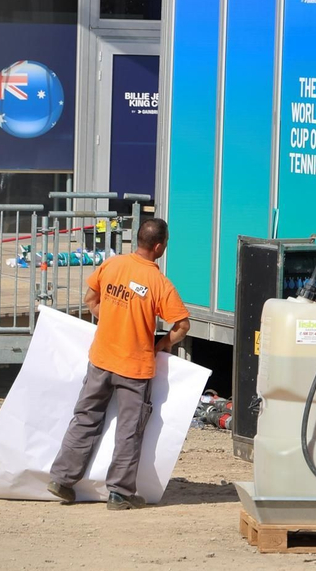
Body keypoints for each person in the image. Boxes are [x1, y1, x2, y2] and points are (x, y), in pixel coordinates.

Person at [47, 216, 190, 510]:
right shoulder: (159, 283)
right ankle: (119, 493)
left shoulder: (112, 265)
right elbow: (182, 326)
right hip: (134, 367)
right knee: (129, 429)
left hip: (101, 358)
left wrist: (113, 320)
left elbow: (91, 299)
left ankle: (62, 480)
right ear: (160, 246)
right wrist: (161, 345)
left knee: (85, 418)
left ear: (138, 240)